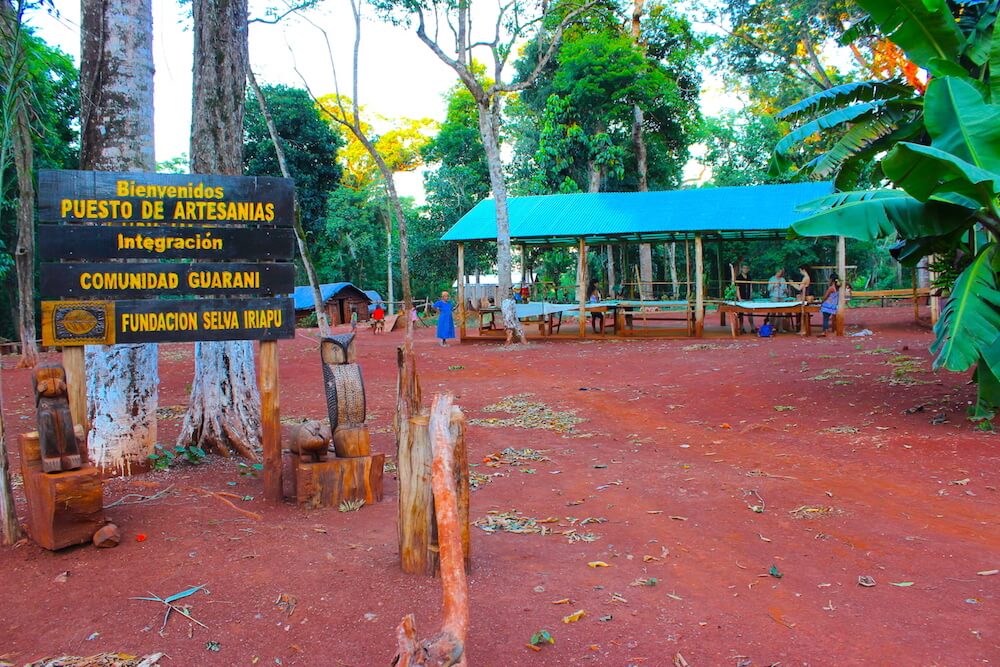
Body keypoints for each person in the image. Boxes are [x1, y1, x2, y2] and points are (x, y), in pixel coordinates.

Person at [735, 263, 755, 333]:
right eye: (744, 268)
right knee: (741, 313)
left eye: (746, 268)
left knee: (750, 313)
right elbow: (737, 288)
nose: (745, 269)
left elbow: (751, 286)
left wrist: (751, 295)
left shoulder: (749, 277)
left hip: (748, 298)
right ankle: (741, 327)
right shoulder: (738, 277)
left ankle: (752, 327)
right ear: (741, 269)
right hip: (742, 298)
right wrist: (739, 298)